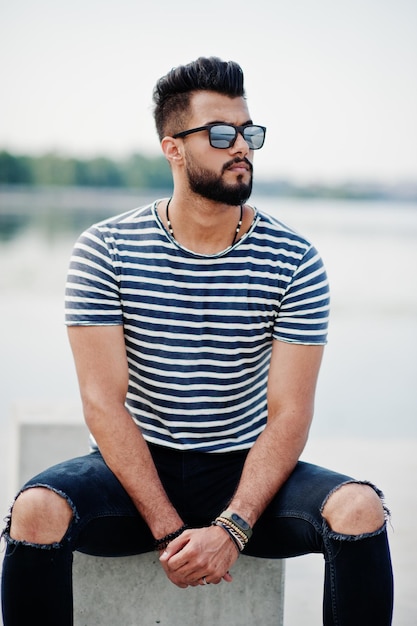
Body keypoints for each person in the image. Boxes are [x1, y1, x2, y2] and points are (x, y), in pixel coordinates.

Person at [1, 56, 393, 625]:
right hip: (136, 472)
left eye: (248, 132)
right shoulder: (104, 249)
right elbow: (102, 404)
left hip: (245, 470)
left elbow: (289, 414)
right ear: (173, 149)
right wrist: (171, 528)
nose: (241, 146)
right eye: (220, 134)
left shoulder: (295, 258)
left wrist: (232, 527)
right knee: (34, 512)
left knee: (360, 509)